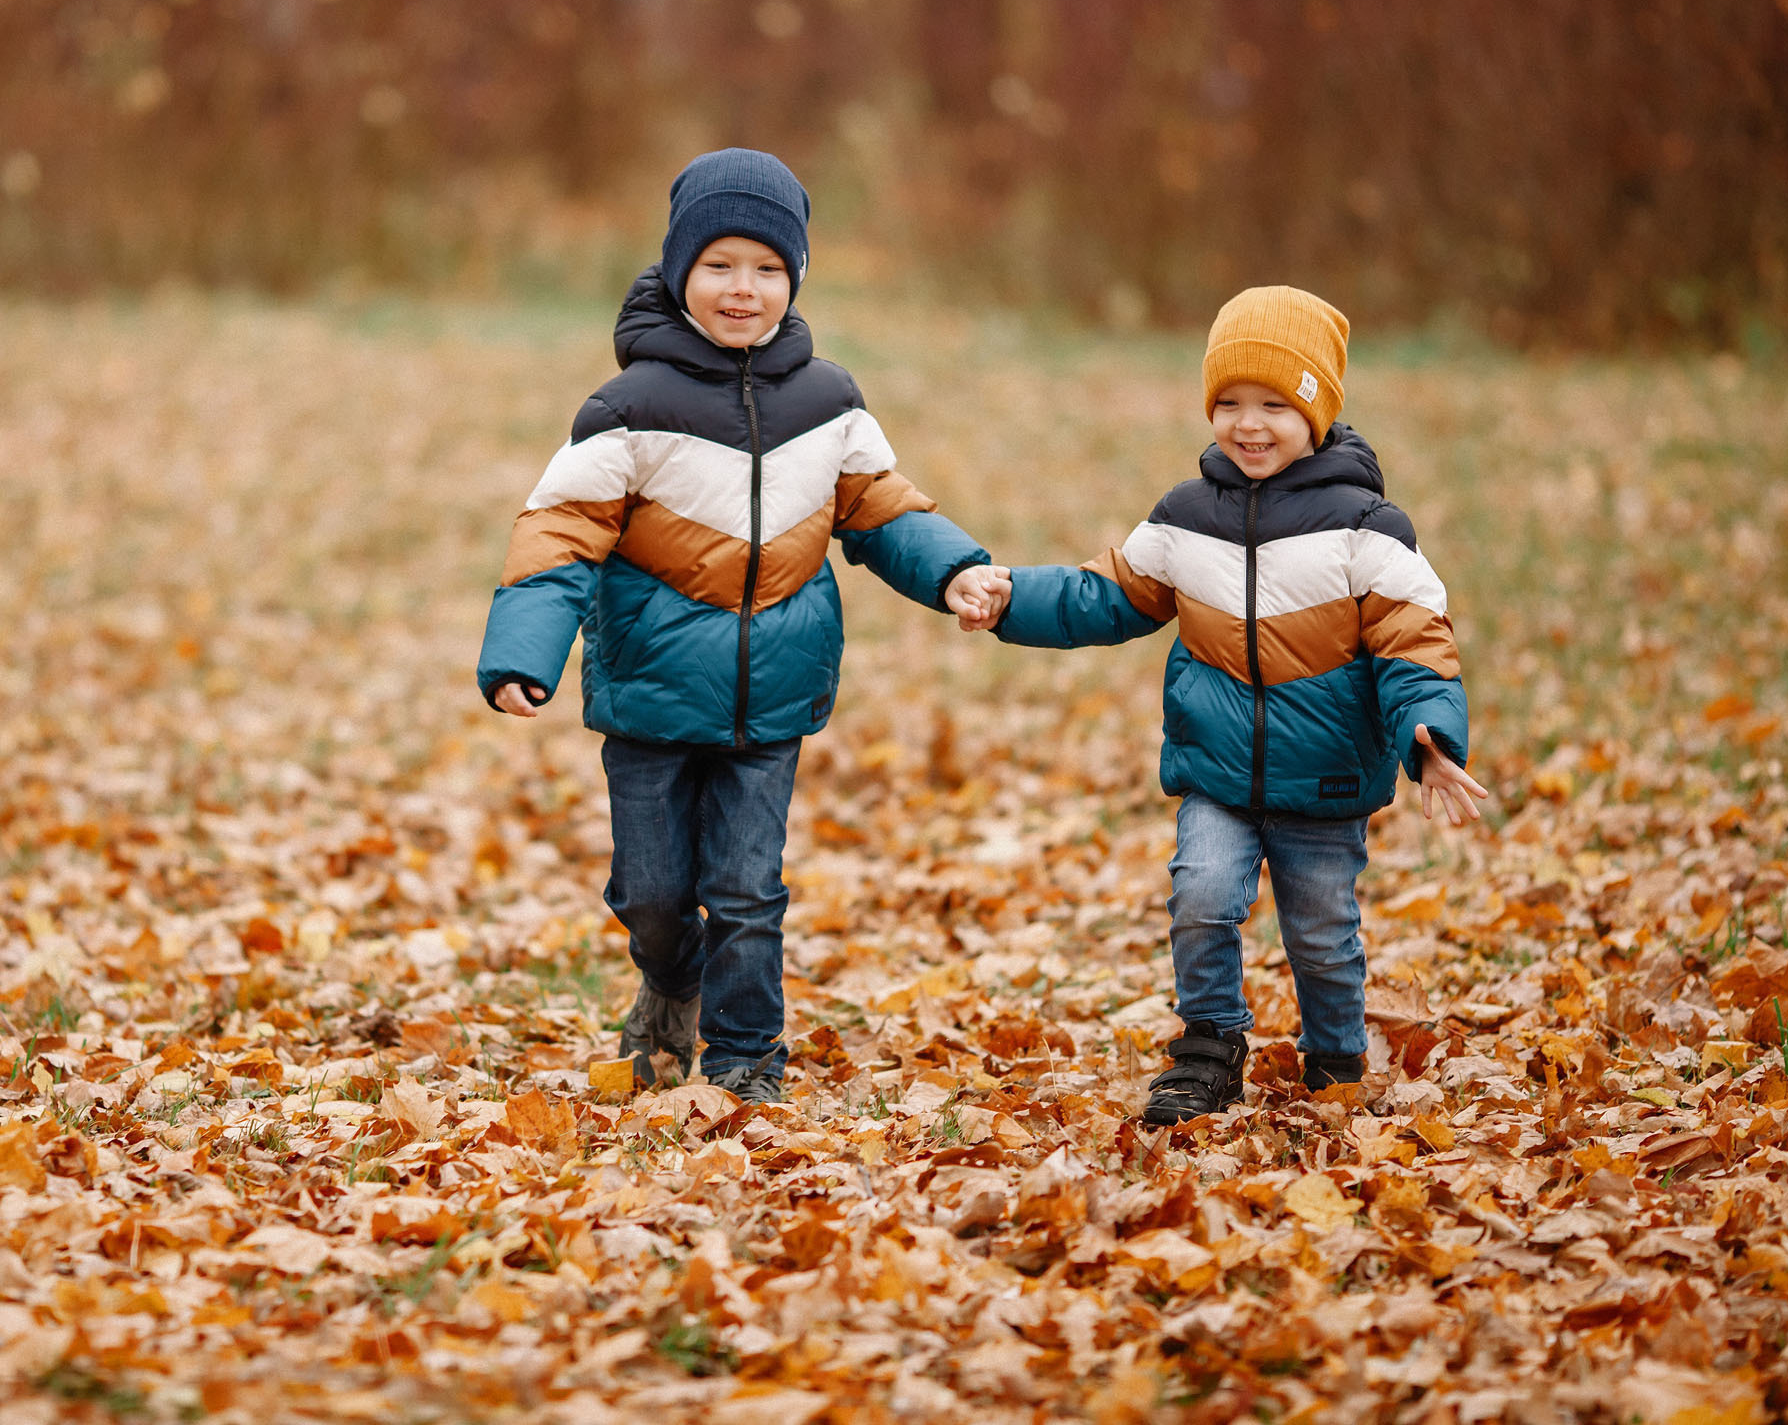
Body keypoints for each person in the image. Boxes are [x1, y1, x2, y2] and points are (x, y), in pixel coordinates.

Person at [477, 148, 998, 1104]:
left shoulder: (828, 402)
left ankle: (748, 1057)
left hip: (773, 696)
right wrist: (523, 652)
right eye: (718, 265)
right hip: (651, 695)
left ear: (794, 277)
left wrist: (957, 570)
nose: (742, 289)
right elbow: (558, 531)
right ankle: (669, 978)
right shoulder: (628, 409)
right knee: (654, 897)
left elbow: (883, 509)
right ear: (679, 273)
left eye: (766, 268)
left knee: (750, 892)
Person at [948, 286, 1487, 1125]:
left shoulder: (1366, 528)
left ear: (1318, 411)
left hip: (1326, 784)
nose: (1249, 424)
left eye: (1275, 403)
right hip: (1218, 772)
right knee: (1200, 896)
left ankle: (1335, 1064)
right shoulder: (1185, 518)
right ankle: (1208, 1046)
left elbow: (1414, 640)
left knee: (1320, 936)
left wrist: (1431, 733)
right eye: (1229, 403)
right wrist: (1011, 596)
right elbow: (1105, 595)